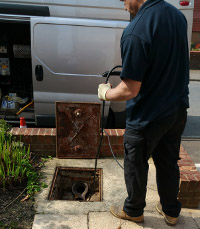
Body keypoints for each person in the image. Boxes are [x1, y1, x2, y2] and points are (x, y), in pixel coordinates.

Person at [98, 0, 189, 226]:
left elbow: (130, 89)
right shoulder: (178, 17)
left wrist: (106, 94)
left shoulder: (135, 31)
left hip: (147, 116)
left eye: (123, 0)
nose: (124, 6)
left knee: (135, 163)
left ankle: (133, 210)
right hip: (177, 111)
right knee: (168, 162)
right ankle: (171, 211)